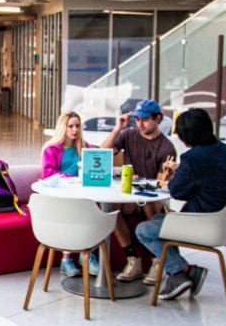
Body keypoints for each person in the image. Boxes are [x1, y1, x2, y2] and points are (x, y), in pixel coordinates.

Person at [136, 108, 226, 300]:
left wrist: (179, 173)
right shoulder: (224, 150)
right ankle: (177, 275)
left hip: (202, 224)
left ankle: (182, 270)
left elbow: (178, 191)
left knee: (144, 230)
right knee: (159, 219)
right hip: (224, 222)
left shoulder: (193, 158)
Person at [101, 99, 176, 284]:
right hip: (129, 193)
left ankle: (156, 261)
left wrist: (168, 174)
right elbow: (102, 154)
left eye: (144, 119)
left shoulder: (166, 147)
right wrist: (117, 129)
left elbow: (160, 186)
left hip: (151, 196)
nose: (140, 124)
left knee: (150, 205)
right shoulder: (128, 134)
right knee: (111, 208)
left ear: (157, 119)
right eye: (137, 119)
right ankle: (132, 259)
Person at [41, 111, 97, 278]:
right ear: (62, 128)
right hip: (60, 196)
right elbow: (48, 176)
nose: (74, 130)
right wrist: (71, 178)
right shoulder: (51, 149)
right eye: (70, 126)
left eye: (77, 126)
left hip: (82, 194)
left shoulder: (84, 147)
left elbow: (97, 162)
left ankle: (87, 254)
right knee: (75, 211)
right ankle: (67, 259)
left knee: (93, 209)